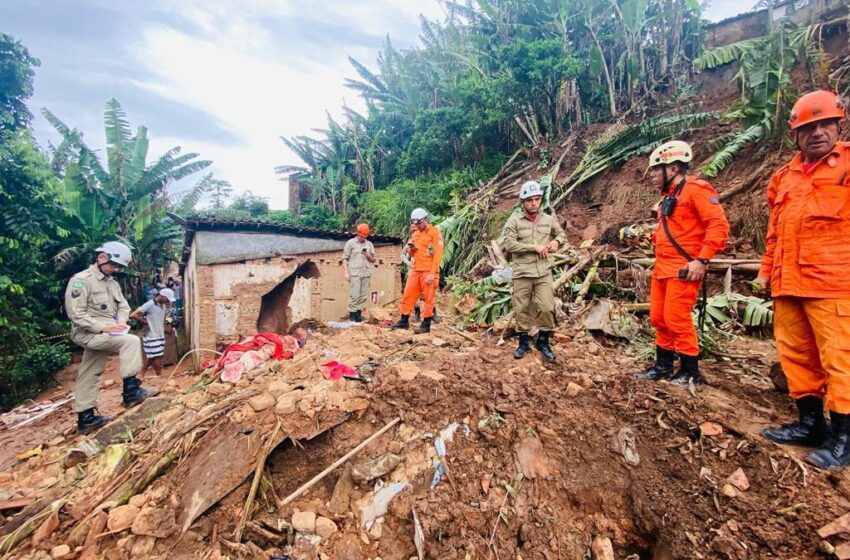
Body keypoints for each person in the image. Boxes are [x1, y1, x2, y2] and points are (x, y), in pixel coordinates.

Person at [757, 91, 850, 469]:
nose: (818, 133)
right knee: (796, 356)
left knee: (840, 359)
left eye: (825, 124)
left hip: (835, 284)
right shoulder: (784, 178)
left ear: (839, 126)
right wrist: (766, 271)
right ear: (795, 134)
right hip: (789, 282)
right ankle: (810, 423)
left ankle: (843, 437)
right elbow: (774, 233)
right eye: (809, 127)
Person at [635, 140, 729, 386]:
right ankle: (663, 366)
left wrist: (702, 259)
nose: (652, 175)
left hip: (684, 268)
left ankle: (690, 371)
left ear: (673, 169)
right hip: (662, 267)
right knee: (658, 317)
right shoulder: (669, 196)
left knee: (677, 318)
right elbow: (673, 230)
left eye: (656, 170)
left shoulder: (697, 191)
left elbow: (718, 225)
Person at [65, 242, 158, 433]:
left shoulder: (112, 283)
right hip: (87, 333)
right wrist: (104, 327)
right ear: (101, 257)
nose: (115, 268)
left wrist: (121, 322)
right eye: (113, 264)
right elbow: (76, 314)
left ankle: (85, 417)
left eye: (118, 266)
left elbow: (123, 306)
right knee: (131, 341)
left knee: (90, 371)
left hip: (110, 331)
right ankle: (131, 392)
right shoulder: (81, 281)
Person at [500, 180, 566, 362]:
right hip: (522, 272)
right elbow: (509, 244)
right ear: (523, 202)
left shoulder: (548, 220)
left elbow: (561, 234)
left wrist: (556, 242)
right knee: (521, 308)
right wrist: (534, 248)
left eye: (537, 199)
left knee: (547, 307)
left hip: (543, 271)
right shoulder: (514, 221)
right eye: (529, 200)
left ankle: (543, 342)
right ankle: (523, 343)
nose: (534, 203)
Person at [393, 208, 443, 334]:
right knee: (408, 295)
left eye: (419, 223)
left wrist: (432, 273)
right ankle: (404, 320)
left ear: (425, 219)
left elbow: (438, 254)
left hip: (428, 271)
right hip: (416, 270)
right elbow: (412, 253)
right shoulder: (415, 234)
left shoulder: (434, 233)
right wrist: (411, 249)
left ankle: (426, 324)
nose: (418, 226)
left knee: (428, 299)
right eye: (415, 223)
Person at [130, 288, 176, 379]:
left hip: (159, 333)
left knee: (158, 355)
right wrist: (145, 322)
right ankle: (142, 373)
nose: (168, 301)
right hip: (151, 334)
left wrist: (167, 329)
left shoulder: (163, 305)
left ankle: (159, 375)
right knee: (152, 356)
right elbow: (133, 315)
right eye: (167, 299)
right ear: (162, 296)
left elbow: (161, 320)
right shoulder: (150, 304)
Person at [343, 223, 376, 322]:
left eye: (364, 237)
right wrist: (346, 272)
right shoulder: (350, 243)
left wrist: (367, 255)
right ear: (357, 233)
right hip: (355, 273)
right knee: (354, 295)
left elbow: (373, 260)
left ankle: (358, 315)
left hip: (366, 273)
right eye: (361, 236)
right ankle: (352, 315)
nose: (362, 238)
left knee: (363, 295)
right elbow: (345, 258)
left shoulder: (369, 244)